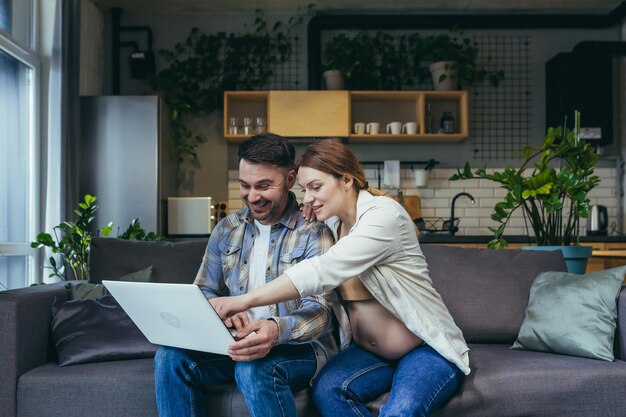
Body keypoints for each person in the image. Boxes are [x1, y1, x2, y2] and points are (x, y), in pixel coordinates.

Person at [211, 138, 470, 417]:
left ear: (346, 180)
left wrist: (244, 300)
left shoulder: (384, 216)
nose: (307, 197)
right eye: (304, 189)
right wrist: (315, 204)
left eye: (316, 187)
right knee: (328, 392)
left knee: (401, 411)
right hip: (369, 355)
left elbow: (322, 271)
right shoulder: (332, 223)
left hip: (423, 348)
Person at [153, 133, 337, 417]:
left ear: (290, 180)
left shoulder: (314, 231)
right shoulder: (227, 229)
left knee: (254, 368)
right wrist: (220, 314)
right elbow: (203, 290)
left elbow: (322, 311)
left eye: (264, 186)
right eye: (245, 186)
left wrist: (275, 330)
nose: (253, 197)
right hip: (234, 343)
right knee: (170, 357)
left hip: (297, 349)